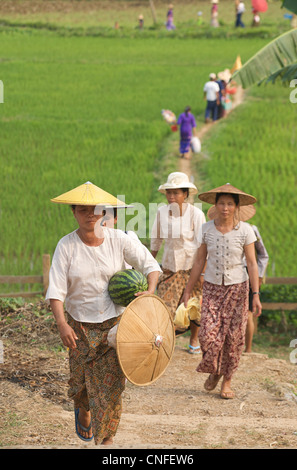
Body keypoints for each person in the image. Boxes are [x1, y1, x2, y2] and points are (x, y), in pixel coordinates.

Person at [46, 181, 161, 445]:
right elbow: (56, 290)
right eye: (83, 210)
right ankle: (83, 409)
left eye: (96, 210)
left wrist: (150, 290)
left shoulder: (119, 239)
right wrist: (62, 324)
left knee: (110, 387)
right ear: (74, 213)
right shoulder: (66, 246)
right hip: (79, 328)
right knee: (81, 384)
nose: (90, 215)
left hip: (115, 325)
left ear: (104, 214)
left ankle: (106, 440)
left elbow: (150, 265)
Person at [181, 183, 262, 399]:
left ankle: (226, 381)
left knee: (234, 339)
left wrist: (256, 295)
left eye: (229, 204)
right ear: (215, 205)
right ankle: (214, 369)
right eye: (221, 203)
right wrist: (188, 290)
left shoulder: (246, 231)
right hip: (211, 288)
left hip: (238, 288)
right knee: (208, 335)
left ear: (236, 207)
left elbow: (252, 264)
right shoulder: (206, 229)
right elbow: (199, 261)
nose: (225, 208)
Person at [150, 172, 206, 355]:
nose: (172, 196)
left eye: (176, 193)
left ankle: (194, 339)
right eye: (169, 193)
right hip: (170, 267)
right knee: (166, 307)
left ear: (185, 194)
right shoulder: (161, 213)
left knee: (194, 306)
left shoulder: (196, 214)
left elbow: (203, 245)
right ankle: (166, 341)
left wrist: (203, 273)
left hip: (192, 269)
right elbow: (156, 240)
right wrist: (150, 263)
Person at [244, 223, 269, 352]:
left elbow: (263, 255)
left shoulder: (251, 229)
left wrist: (258, 276)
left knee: (248, 314)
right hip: (226, 275)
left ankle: (248, 349)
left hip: (248, 273)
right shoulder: (218, 228)